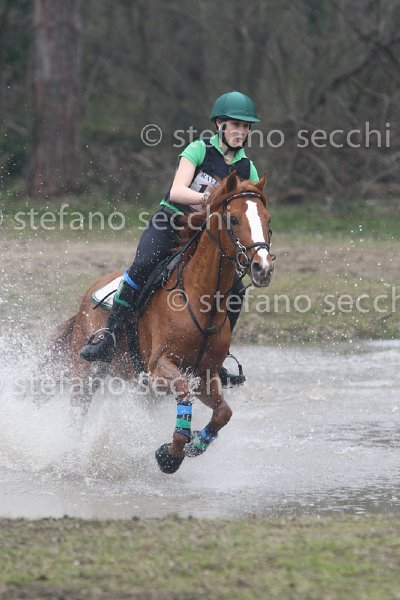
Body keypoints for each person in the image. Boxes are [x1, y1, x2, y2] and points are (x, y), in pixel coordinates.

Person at [80, 90, 261, 385]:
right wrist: (212, 199)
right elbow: (178, 191)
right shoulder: (198, 150)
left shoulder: (246, 167)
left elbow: (247, 206)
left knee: (236, 289)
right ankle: (108, 337)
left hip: (204, 234)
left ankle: (217, 356)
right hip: (171, 222)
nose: (240, 132)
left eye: (245, 126)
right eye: (235, 125)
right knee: (143, 266)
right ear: (220, 124)